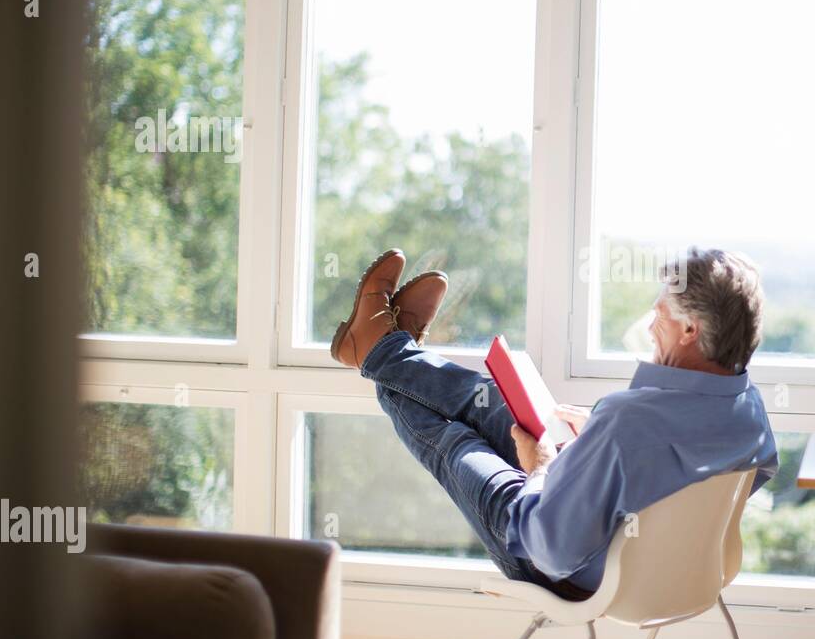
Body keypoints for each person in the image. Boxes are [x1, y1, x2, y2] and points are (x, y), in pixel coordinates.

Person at [330, 246, 779, 601]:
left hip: (558, 564)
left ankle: (381, 348)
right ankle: (387, 347)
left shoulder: (627, 422)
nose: (650, 328)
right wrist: (610, 451)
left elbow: (553, 548)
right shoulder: (749, 412)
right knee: (493, 399)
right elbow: (711, 478)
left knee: (455, 440)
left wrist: (541, 468)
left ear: (689, 332)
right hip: (676, 572)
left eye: (660, 315)